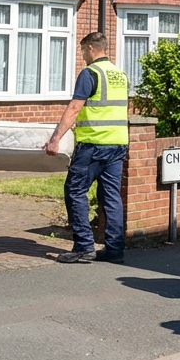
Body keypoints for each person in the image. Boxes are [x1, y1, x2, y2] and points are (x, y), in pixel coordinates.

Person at [46, 32, 128, 264]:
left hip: (94, 145)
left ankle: (83, 247)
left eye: (83, 51)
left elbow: (74, 108)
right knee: (111, 196)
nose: (82, 56)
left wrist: (55, 138)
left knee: (74, 190)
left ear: (91, 48)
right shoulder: (120, 75)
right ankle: (114, 250)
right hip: (117, 143)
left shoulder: (90, 73)